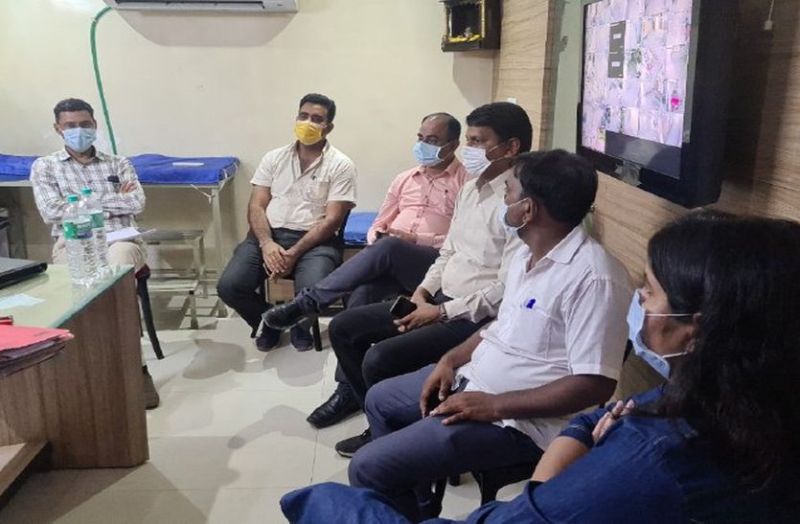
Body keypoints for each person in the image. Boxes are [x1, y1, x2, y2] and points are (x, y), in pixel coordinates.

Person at [280, 212, 800, 523]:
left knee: (340, 489)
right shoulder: (722, 403)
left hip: (512, 417)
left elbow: (593, 391)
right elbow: (604, 413)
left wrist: (317, 503)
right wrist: (453, 358)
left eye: (651, 291)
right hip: (480, 383)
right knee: (380, 394)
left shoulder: (655, 456)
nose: (639, 299)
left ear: (698, 328)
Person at [324, 102, 534, 457]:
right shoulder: (471, 189)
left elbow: (505, 289)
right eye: (468, 140)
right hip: (437, 299)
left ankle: (392, 434)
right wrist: (422, 293)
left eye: (478, 141)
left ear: (510, 147)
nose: (469, 150)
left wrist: (440, 312)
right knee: (344, 327)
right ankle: (380, 415)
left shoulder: (517, 203)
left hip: (471, 318)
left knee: (379, 357)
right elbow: (448, 252)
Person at [265, 112, 467, 429]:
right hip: (393, 256)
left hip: (433, 263)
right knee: (362, 293)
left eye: (432, 140)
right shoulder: (405, 178)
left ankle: (307, 302)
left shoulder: (466, 183)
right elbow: (379, 222)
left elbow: (460, 239)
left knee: (391, 248)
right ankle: (349, 389)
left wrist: (413, 240)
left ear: (453, 145)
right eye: (420, 138)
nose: (423, 145)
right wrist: (378, 236)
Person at [30, 97, 159, 410]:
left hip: (121, 241)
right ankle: (88, 369)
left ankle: (136, 368)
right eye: (71, 125)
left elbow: (137, 202)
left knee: (116, 276)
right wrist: (112, 198)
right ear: (58, 129)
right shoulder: (45, 167)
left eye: (85, 124)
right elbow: (50, 211)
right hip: (72, 243)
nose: (79, 130)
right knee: (80, 294)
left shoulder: (118, 163)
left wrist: (80, 202)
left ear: (95, 125)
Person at [216, 93, 357, 352]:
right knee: (229, 286)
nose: (308, 122)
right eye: (303, 116)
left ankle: (299, 327)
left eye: (317, 119)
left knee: (314, 290)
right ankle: (269, 322)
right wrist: (267, 243)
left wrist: (293, 253)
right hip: (267, 236)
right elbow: (256, 205)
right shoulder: (274, 158)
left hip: (316, 243)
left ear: (328, 127)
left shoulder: (341, 165)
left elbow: (332, 220)